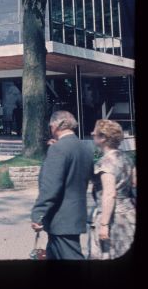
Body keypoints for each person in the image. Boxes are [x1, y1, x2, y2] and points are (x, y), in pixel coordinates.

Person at [31, 111, 94, 260]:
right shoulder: (85, 148)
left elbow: (50, 187)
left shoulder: (58, 149)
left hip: (61, 219)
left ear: (55, 125)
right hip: (74, 215)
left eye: (50, 126)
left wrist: (38, 214)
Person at [87, 119, 136, 259]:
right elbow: (133, 184)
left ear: (103, 138)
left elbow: (109, 194)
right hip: (129, 214)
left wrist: (104, 224)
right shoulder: (126, 158)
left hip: (113, 217)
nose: (92, 134)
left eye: (94, 133)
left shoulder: (106, 163)